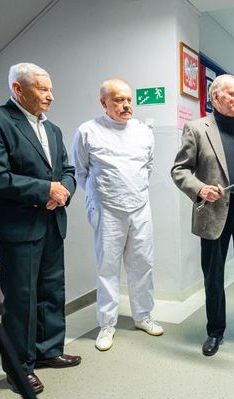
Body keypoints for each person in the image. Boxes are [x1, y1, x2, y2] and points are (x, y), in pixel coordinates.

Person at [0, 63, 80, 394]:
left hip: (52, 222)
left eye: (50, 89)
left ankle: (48, 350)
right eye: (43, 89)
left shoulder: (52, 129)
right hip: (18, 228)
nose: (51, 96)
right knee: (22, 300)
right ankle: (19, 369)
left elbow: (67, 169)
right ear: (18, 89)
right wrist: (46, 190)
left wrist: (64, 189)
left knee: (51, 290)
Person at [171, 74, 234, 356]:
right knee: (213, 276)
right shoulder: (196, 129)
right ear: (215, 97)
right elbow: (179, 170)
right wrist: (200, 189)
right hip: (214, 213)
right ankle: (215, 331)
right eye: (232, 94)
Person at [72, 78, 163, 352]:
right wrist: (99, 197)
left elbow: (148, 166)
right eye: (119, 100)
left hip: (140, 206)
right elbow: (81, 172)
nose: (126, 105)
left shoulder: (143, 132)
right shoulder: (87, 131)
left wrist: (133, 191)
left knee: (143, 264)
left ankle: (143, 316)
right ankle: (107, 324)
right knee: (107, 268)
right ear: (104, 103)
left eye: (129, 100)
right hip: (106, 209)